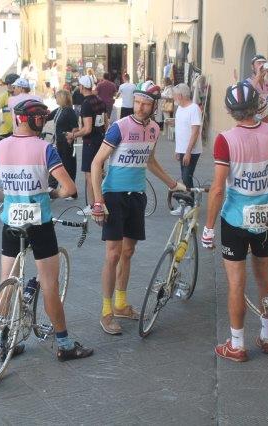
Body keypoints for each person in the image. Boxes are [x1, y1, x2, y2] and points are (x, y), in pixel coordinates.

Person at [0, 99, 93, 361]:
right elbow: (70, 189)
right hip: (39, 223)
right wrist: (52, 193)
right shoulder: (45, 149)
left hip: (11, 222)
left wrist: (9, 196)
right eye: (41, 119)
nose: (42, 123)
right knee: (49, 284)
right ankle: (64, 344)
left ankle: (4, 342)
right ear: (34, 120)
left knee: (7, 281)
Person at [90, 85, 186, 335]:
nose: (141, 107)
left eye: (146, 103)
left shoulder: (154, 129)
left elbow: (150, 160)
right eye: (138, 102)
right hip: (114, 195)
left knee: (128, 252)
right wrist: (98, 201)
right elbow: (97, 162)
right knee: (113, 254)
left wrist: (172, 184)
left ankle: (121, 304)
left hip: (137, 195)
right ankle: (106, 311)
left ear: (154, 106)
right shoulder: (119, 127)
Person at [202, 82, 268, 361]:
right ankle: (267, 336)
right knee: (265, 276)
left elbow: (217, 189)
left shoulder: (225, 140)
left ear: (229, 110)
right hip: (267, 215)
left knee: (237, 284)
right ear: (256, 105)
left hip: (236, 219)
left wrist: (208, 228)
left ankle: (237, 345)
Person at [65, 75, 106, 214]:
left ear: (82, 87)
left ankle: (93, 205)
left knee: (90, 175)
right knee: (98, 173)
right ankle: (100, 202)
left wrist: (73, 135)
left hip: (90, 143)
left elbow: (87, 129)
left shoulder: (86, 104)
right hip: (100, 140)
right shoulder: (99, 100)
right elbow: (105, 123)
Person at [169, 83, 202, 215]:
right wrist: (178, 150)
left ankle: (189, 204)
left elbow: (195, 132)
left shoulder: (194, 109)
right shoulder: (180, 109)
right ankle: (187, 203)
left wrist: (188, 152)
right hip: (182, 150)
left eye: (175, 95)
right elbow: (181, 128)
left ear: (181, 95)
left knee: (186, 177)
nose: (173, 98)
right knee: (185, 178)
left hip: (191, 151)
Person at [46, 90, 79, 191]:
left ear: (62, 98)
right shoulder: (59, 109)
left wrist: (70, 139)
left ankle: (71, 191)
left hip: (66, 143)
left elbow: (75, 127)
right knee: (55, 164)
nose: (55, 99)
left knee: (68, 166)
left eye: (56, 97)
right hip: (58, 142)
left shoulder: (69, 111)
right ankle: (52, 186)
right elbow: (48, 117)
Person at [0, 73, 19, 140]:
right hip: (6, 132)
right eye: (7, 84)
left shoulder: (22, 96)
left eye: (11, 84)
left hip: (19, 131)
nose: (9, 86)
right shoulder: (3, 97)